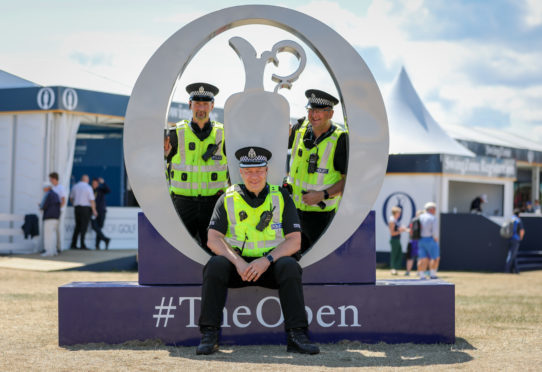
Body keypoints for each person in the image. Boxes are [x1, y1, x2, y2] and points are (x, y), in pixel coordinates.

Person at [197, 146, 319, 356]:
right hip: (240, 267)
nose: (254, 176)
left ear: (266, 171)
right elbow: (213, 239)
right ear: (241, 172)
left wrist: (267, 260)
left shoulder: (281, 196)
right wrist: (238, 262)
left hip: (270, 266)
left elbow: (294, 241)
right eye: (249, 171)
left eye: (259, 171)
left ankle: (297, 335)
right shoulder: (228, 197)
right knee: (215, 265)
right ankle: (210, 335)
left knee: (290, 266)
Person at [165, 82, 228, 252]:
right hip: (182, 204)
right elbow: (161, 164)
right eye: (197, 103)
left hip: (214, 204)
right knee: (179, 251)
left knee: (214, 252)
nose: (201, 108)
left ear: (212, 106)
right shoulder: (175, 134)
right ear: (190, 104)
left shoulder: (224, 134)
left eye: (205, 103)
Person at [287, 89, 348, 252]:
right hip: (292, 211)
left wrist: (322, 195)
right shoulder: (299, 128)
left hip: (320, 217)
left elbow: (349, 182)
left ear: (330, 114)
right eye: (311, 110)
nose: (313, 115)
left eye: (319, 111)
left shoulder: (341, 140)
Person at [69, 174, 97, 249]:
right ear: (87, 180)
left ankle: (73, 244)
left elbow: (71, 198)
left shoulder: (75, 186)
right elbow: (92, 200)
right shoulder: (88, 187)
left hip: (77, 208)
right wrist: (94, 210)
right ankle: (82, 244)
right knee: (83, 227)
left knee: (77, 226)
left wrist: (74, 204)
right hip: (85, 209)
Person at [417, 202, 440, 280]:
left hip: (420, 240)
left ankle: (421, 275)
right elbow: (435, 231)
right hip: (430, 239)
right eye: (435, 209)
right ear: (432, 209)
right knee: (435, 258)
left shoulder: (420, 217)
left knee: (422, 258)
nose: (435, 211)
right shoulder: (433, 218)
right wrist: (436, 238)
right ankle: (433, 274)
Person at [40, 182, 61, 257]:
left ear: (47, 188)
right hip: (56, 217)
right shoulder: (56, 194)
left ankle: (48, 251)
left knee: (48, 234)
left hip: (49, 217)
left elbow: (43, 205)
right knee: (53, 234)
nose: (43, 190)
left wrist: (40, 206)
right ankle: (54, 250)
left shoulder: (48, 194)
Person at [91, 177, 111, 250]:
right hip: (93, 211)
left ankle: (97, 245)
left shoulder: (100, 190)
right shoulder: (90, 190)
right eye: (93, 183)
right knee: (94, 226)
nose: (94, 184)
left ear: (98, 184)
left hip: (101, 211)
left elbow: (108, 190)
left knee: (99, 227)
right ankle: (105, 239)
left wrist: (103, 183)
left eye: (95, 183)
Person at [49, 172, 66, 253]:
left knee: (57, 229)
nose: (50, 181)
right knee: (52, 229)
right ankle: (51, 246)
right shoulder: (53, 188)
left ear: (55, 179)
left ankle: (58, 247)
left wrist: (59, 210)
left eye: (51, 179)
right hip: (52, 211)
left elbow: (63, 200)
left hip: (57, 211)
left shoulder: (60, 188)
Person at [388, 206, 407, 275]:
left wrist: (402, 229)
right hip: (394, 240)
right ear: (395, 213)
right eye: (398, 213)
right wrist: (401, 231)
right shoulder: (392, 220)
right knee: (394, 255)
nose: (399, 214)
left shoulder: (396, 220)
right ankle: (393, 269)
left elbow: (398, 229)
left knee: (399, 254)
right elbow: (392, 233)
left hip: (397, 239)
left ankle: (395, 268)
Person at [505, 208, 525, 274]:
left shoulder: (510, 219)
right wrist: (520, 238)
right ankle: (507, 270)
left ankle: (516, 271)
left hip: (508, 238)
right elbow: (522, 231)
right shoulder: (518, 220)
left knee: (513, 255)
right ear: (518, 214)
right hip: (515, 239)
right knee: (512, 255)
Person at [405, 210, 424, 276]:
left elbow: (411, 231)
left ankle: (408, 272)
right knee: (420, 257)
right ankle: (419, 272)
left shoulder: (414, 220)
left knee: (410, 257)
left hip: (412, 240)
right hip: (420, 240)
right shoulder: (423, 221)